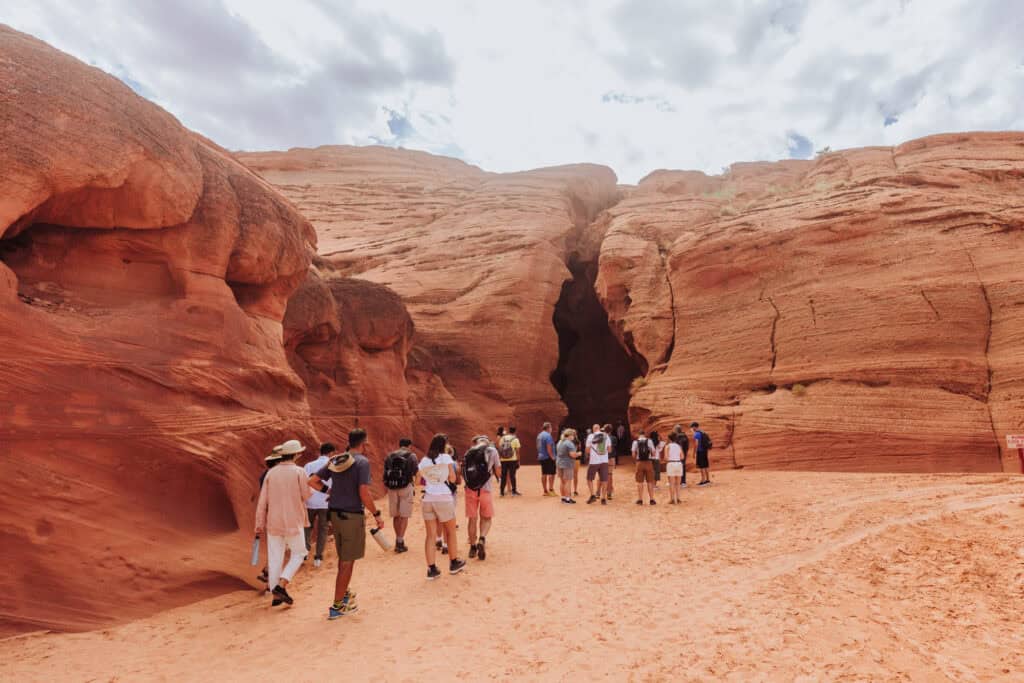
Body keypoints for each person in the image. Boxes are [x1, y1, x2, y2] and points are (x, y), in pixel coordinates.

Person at [308, 428, 385, 620]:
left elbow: (313, 481)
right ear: (364, 443)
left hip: (335, 513)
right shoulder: (362, 462)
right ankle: (337, 606)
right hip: (351, 515)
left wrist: (329, 492)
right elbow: (364, 493)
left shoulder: (336, 459)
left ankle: (344, 594)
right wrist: (376, 513)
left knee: (344, 558)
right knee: (347, 562)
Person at [255, 439, 311, 607]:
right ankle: (281, 584)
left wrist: (259, 523)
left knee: (275, 558)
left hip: (273, 522)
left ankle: (275, 596)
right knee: (299, 553)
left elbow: (262, 500)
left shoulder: (271, 473)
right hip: (294, 521)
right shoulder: (299, 471)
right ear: (296, 454)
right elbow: (306, 494)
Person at [419, 434, 466, 579]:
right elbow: (452, 478)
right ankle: (453, 563)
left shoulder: (424, 460)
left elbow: (419, 480)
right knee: (451, 532)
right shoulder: (445, 458)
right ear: (443, 445)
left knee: (431, 536)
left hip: (428, 499)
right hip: (444, 499)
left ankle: (432, 569)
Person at [463, 435, 501, 560]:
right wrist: (497, 476)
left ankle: (473, 546)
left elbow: (464, 471)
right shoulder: (492, 451)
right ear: (487, 442)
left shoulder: (469, 452)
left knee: (472, 519)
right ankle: (482, 539)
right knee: (486, 518)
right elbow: (498, 470)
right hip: (485, 489)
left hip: (470, 489)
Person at [383, 438, 419, 554]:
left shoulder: (389, 456)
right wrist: (415, 487)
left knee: (396, 515)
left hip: (392, 488)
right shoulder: (411, 456)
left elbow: (385, 474)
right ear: (409, 446)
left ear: (399, 445)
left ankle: (397, 538)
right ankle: (400, 541)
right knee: (404, 515)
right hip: (405, 487)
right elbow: (416, 473)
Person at [302, 442, 335, 569]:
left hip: (310, 501)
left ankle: (304, 552)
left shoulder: (309, 465)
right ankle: (318, 557)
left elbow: (305, 482)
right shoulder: (333, 464)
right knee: (323, 529)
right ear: (331, 452)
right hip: (326, 502)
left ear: (320, 452)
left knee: (307, 527)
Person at [256, 445, 283, 585]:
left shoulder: (264, 475)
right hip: (281, 514)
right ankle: (269, 576)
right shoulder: (276, 475)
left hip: (270, 513)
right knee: (281, 547)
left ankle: (267, 572)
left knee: (275, 546)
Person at [585, 425, 611, 505]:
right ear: (599, 429)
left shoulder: (590, 436)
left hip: (594, 461)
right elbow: (609, 450)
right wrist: (603, 452)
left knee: (589, 478)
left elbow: (587, 450)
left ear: (593, 429)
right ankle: (603, 498)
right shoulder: (606, 436)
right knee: (604, 480)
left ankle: (593, 495)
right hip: (604, 461)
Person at [632, 430, 656, 505]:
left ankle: (640, 499)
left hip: (639, 463)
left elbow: (633, 454)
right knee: (650, 481)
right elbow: (653, 452)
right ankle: (652, 499)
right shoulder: (649, 441)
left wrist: (636, 459)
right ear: (645, 434)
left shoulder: (635, 442)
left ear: (639, 435)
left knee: (640, 482)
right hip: (648, 462)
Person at [556, 429, 580, 504]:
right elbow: (572, 455)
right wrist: (578, 454)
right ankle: (568, 499)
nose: (574, 437)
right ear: (570, 435)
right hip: (567, 464)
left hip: (559, 463)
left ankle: (563, 498)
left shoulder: (560, 442)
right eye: (573, 435)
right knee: (568, 481)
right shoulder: (569, 443)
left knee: (562, 481)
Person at [498, 426, 522, 497]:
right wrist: (518, 461)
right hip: (512, 460)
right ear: (515, 431)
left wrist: (500, 458)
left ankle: (502, 492)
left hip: (503, 460)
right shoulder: (515, 439)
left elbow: (500, 448)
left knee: (504, 476)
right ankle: (514, 492)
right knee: (512, 476)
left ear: (509, 430)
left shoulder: (503, 438)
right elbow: (517, 451)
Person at [536, 422, 557, 496]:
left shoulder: (539, 435)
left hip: (541, 456)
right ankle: (551, 489)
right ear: (548, 428)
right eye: (551, 428)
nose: (551, 429)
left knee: (544, 473)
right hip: (548, 457)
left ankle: (545, 491)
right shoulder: (548, 436)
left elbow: (538, 446)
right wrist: (553, 457)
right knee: (552, 473)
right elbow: (549, 448)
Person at [664, 433, 685, 503]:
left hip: (671, 464)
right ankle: (678, 498)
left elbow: (666, 458)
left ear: (669, 439)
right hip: (679, 463)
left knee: (671, 483)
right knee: (678, 483)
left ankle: (672, 499)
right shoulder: (679, 446)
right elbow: (682, 457)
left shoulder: (667, 446)